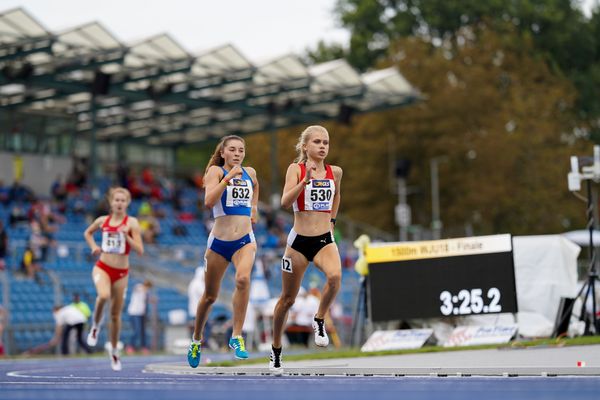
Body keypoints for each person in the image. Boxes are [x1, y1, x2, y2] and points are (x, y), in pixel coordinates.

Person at [269, 125, 343, 375]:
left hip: (323, 239)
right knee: (287, 299)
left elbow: (336, 197)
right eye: (318, 142)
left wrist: (331, 223)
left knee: (334, 277)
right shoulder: (296, 169)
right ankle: (276, 348)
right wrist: (305, 182)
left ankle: (319, 318)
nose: (323, 146)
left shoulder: (335, 172)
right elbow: (284, 202)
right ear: (305, 146)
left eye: (326, 142)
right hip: (298, 242)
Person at [187, 135, 259, 368]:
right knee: (210, 296)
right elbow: (208, 201)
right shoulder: (216, 173)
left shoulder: (250, 173)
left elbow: (255, 187)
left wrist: (254, 207)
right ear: (223, 152)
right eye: (233, 150)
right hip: (219, 243)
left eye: (241, 150)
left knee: (243, 279)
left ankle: (237, 337)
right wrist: (228, 178)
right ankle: (197, 339)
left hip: (245, 240)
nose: (238, 153)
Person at [83, 187, 144, 371]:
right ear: (111, 202)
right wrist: (94, 246)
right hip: (103, 267)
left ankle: (114, 350)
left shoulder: (132, 223)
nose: (119, 203)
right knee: (103, 296)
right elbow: (87, 233)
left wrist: (127, 236)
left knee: (116, 315)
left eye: (122, 200)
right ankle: (95, 326)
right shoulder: (102, 221)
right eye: (116, 200)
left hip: (121, 273)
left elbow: (140, 250)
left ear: (127, 203)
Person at [126, 279, 153, 354]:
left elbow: (149, 300)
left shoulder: (146, 293)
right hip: (134, 313)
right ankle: (130, 346)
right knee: (137, 331)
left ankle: (144, 347)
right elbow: (136, 288)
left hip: (142, 314)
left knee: (143, 332)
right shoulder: (139, 287)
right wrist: (144, 289)